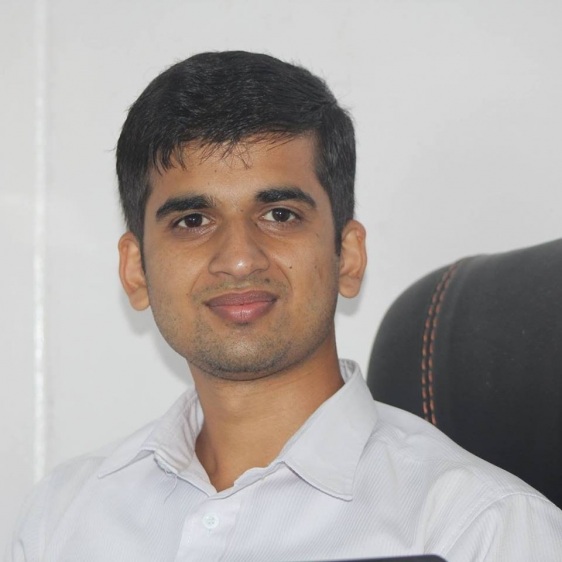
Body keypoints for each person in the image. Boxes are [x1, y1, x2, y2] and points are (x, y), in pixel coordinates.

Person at [7, 51, 562, 562]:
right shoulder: (63, 520)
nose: (238, 259)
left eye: (279, 215)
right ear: (136, 271)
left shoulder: (479, 531)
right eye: (192, 221)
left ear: (347, 256)